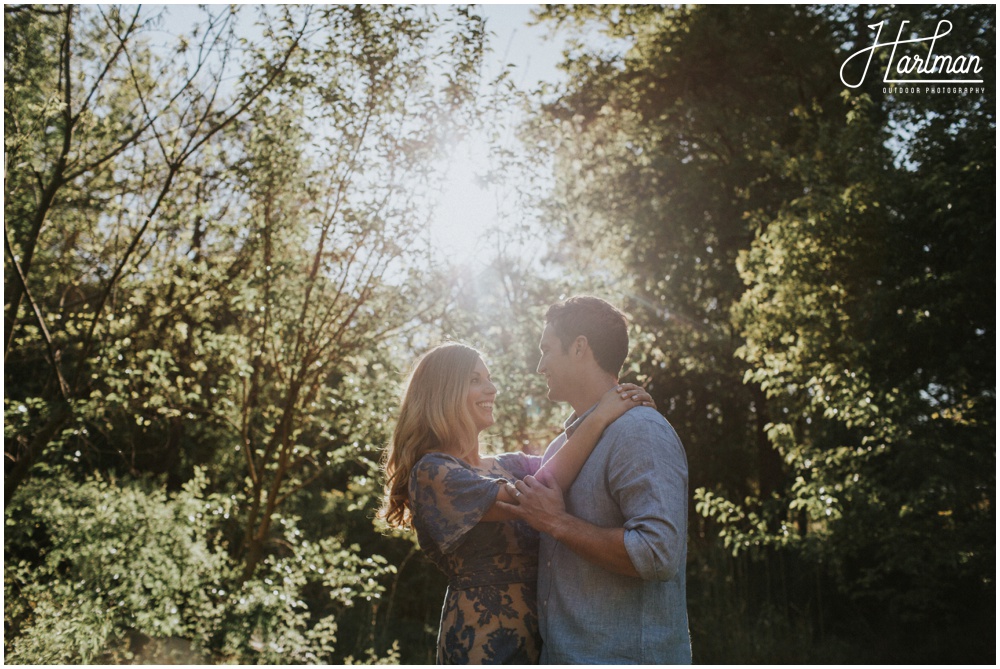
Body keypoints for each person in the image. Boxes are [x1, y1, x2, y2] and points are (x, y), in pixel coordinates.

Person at [378, 342, 654, 664]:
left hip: (552, 641)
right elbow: (543, 490)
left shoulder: (509, 466)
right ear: (443, 392)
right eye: (475, 380)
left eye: (490, 378)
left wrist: (620, 413)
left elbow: (575, 462)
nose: (492, 388)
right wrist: (600, 416)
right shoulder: (432, 472)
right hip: (484, 643)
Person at [499, 296, 692, 664]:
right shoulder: (563, 445)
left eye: (546, 349)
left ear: (579, 347)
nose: (540, 365)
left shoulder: (641, 432)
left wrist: (557, 522)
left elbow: (656, 555)